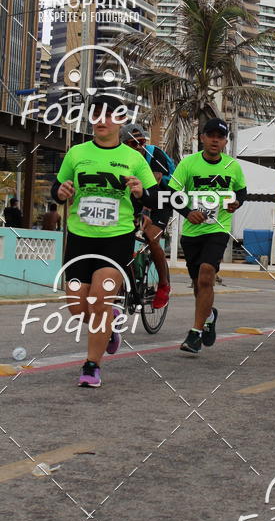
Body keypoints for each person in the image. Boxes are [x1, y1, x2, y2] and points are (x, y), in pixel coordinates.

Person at [51, 95, 159, 387]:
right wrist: (60, 192)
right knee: (77, 309)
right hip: (79, 239)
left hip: (116, 239)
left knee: (98, 301)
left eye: (109, 115)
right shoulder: (76, 153)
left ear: (121, 121)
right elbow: (56, 188)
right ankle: (110, 322)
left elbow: (154, 198)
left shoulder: (134, 158)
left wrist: (139, 192)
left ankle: (91, 366)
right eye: (96, 114)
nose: (101, 120)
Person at [168, 118, 247, 355]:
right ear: (202, 138)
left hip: (218, 229)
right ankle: (209, 315)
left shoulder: (232, 166)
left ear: (224, 141)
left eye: (220, 137)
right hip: (192, 232)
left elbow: (241, 191)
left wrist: (236, 203)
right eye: (210, 135)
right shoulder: (188, 164)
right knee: (198, 285)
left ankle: (195, 333)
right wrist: (187, 212)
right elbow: (172, 192)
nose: (215, 140)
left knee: (206, 275)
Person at [121, 124, 173, 309]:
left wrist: (143, 214)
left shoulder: (154, 154)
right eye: (132, 144)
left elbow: (154, 185)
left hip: (161, 200)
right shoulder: (121, 159)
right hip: (136, 199)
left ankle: (164, 285)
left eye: (141, 142)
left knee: (151, 237)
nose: (138, 148)